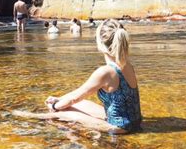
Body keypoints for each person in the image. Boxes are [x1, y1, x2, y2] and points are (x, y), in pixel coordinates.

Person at [14, 19, 142, 134]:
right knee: (82, 103)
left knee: (67, 114)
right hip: (134, 121)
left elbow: (74, 99)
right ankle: (55, 107)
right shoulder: (127, 65)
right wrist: (59, 99)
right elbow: (78, 95)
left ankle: (30, 116)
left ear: (100, 44)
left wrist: (54, 107)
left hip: (119, 128)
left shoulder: (105, 72)